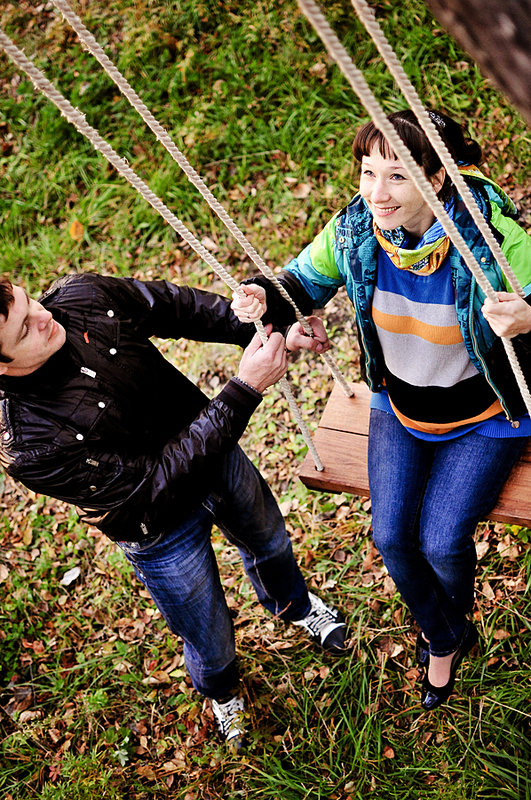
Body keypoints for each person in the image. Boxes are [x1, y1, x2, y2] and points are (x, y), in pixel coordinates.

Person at [231, 109, 531, 711]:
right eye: (368, 172)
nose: (377, 192)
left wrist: (528, 317)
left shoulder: (489, 234)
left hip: (486, 415)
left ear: (437, 179)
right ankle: (446, 635)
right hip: (399, 405)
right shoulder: (354, 231)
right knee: (392, 537)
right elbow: (298, 284)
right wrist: (264, 295)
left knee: (441, 541)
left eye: (397, 176)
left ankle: (445, 631)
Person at [0, 272, 348, 751]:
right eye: (24, 329)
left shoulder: (81, 297)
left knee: (269, 540)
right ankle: (222, 690)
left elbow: (178, 307)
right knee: (206, 629)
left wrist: (267, 329)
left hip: (218, 454)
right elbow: (151, 489)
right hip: (159, 530)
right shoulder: (28, 445)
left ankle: (296, 607)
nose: (44, 316)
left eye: (30, 301)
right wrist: (244, 389)